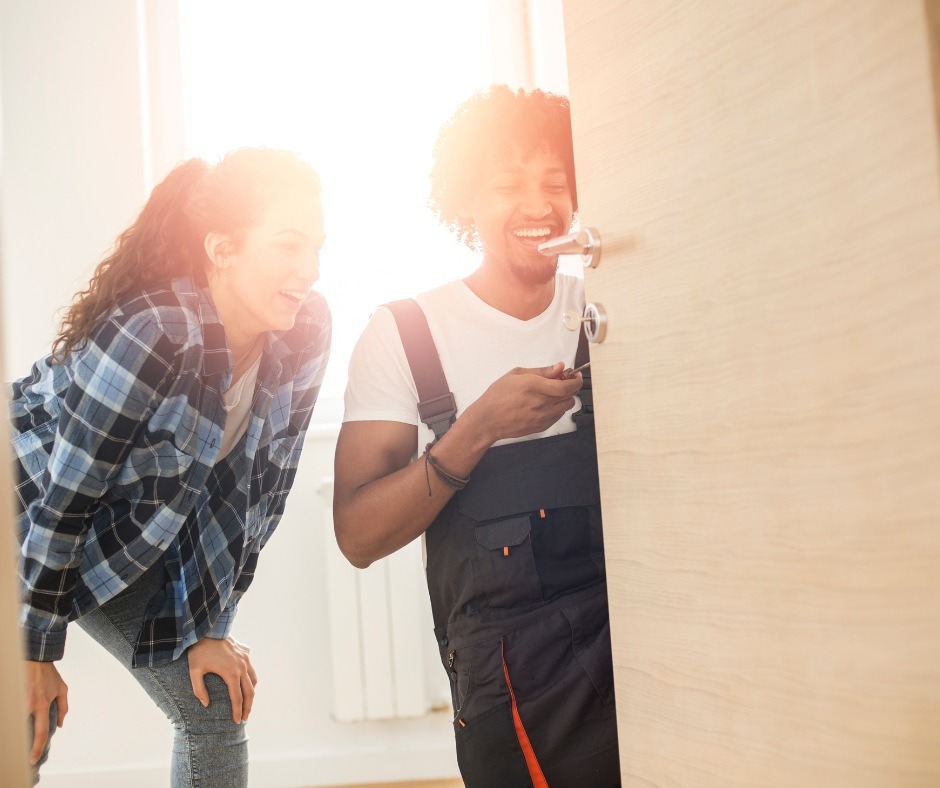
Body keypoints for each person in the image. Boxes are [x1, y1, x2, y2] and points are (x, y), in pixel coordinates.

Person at [10, 146, 331, 787]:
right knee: (21, 721)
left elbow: (259, 495)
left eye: (319, 248)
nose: (310, 270)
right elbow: (65, 500)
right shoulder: (153, 332)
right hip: (24, 509)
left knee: (211, 703)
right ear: (222, 248)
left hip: (108, 534)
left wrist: (211, 627)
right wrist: (32, 649)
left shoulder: (304, 330)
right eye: (290, 246)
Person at [334, 85, 620, 787]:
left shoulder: (608, 310)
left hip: (631, 647)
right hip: (509, 686)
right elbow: (358, 537)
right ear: (464, 201)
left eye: (555, 183)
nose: (538, 204)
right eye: (508, 184)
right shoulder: (405, 335)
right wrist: (479, 427)